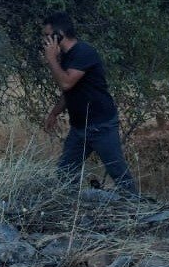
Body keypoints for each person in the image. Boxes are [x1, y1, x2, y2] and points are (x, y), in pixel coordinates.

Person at [40, 12, 137, 197]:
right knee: (65, 173)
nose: (45, 40)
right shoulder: (67, 56)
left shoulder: (84, 52)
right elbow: (70, 91)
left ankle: (138, 209)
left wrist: (51, 58)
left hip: (101, 125)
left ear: (59, 33)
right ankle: (71, 210)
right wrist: (54, 113)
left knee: (119, 173)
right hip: (79, 128)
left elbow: (66, 82)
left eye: (47, 35)